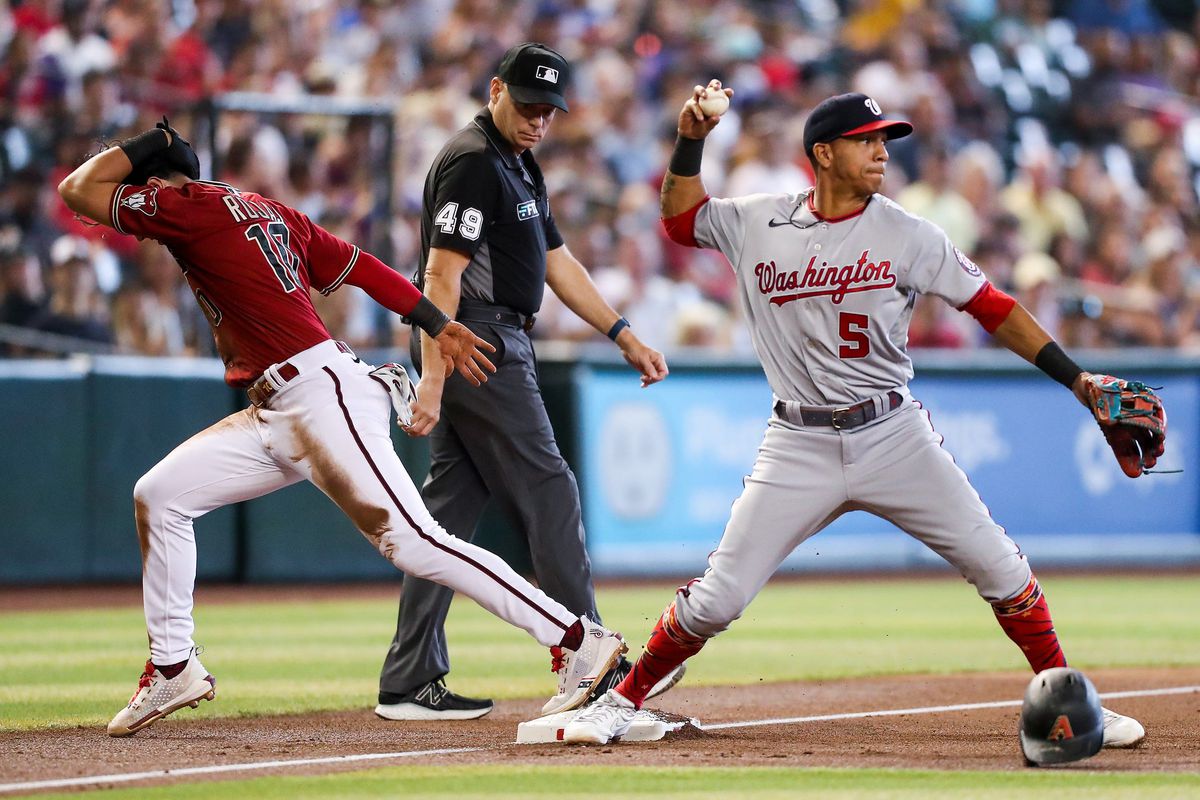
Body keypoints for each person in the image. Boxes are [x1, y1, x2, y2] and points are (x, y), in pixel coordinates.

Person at [564, 85, 1149, 747]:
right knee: (718, 599)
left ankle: (1069, 699)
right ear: (823, 153)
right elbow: (678, 221)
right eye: (866, 141)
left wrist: (1075, 379)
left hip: (892, 433)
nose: (880, 153)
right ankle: (623, 699)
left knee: (1004, 571)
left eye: (884, 141)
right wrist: (692, 138)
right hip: (799, 439)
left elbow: (992, 307)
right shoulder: (758, 218)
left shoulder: (908, 233)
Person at [57, 119, 628, 737]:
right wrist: (437, 322)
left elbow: (79, 190)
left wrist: (153, 147)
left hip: (319, 395)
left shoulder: (183, 203)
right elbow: (363, 266)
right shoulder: (266, 210)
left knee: (414, 541)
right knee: (160, 496)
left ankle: (578, 639)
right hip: (275, 407)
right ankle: (173, 666)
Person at [375, 42, 680, 721]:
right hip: (476, 339)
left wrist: (622, 333)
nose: (539, 119)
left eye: (549, 110)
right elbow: (439, 276)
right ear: (495, 90)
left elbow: (558, 264)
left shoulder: (518, 163)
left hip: (490, 335)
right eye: (528, 104)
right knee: (549, 488)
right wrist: (432, 375)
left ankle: (408, 678)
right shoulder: (474, 162)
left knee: (445, 519)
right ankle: (590, 657)